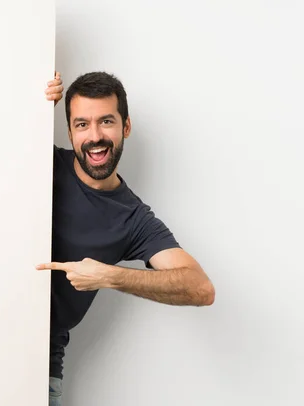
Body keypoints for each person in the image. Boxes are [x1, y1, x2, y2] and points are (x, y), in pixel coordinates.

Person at [37, 71, 216, 406]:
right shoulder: (38, 162)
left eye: (106, 121)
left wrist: (109, 276)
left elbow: (200, 288)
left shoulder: (132, 217)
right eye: (81, 124)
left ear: (126, 127)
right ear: (70, 131)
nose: (95, 136)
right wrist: (30, 101)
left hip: (42, 367)